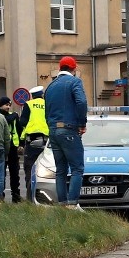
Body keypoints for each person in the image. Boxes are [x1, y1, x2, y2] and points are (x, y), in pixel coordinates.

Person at [44, 56, 88, 210]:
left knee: (60, 170)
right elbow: (81, 102)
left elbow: (47, 110)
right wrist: (82, 123)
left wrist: (51, 126)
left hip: (53, 130)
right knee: (77, 168)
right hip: (68, 129)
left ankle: (62, 205)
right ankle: (73, 204)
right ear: (74, 69)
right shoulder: (74, 82)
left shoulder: (50, 86)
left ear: (60, 68)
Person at [19, 85, 49, 202]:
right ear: (42, 94)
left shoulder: (29, 104)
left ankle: (30, 199)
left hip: (32, 142)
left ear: (32, 95)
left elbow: (23, 121)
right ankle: (45, 199)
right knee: (47, 170)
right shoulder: (48, 104)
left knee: (30, 169)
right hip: (47, 141)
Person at [0, 96, 23, 203]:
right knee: (1, 174)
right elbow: (7, 120)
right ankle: (0, 196)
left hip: (13, 148)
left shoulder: (13, 116)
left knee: (14, 173)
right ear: (0, 105)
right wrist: (14, 116)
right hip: (2, 147)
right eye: (6, 105)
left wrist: (21, 144)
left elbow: (19, 129)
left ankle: (16, 196)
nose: (8, 107)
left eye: (9, 105)